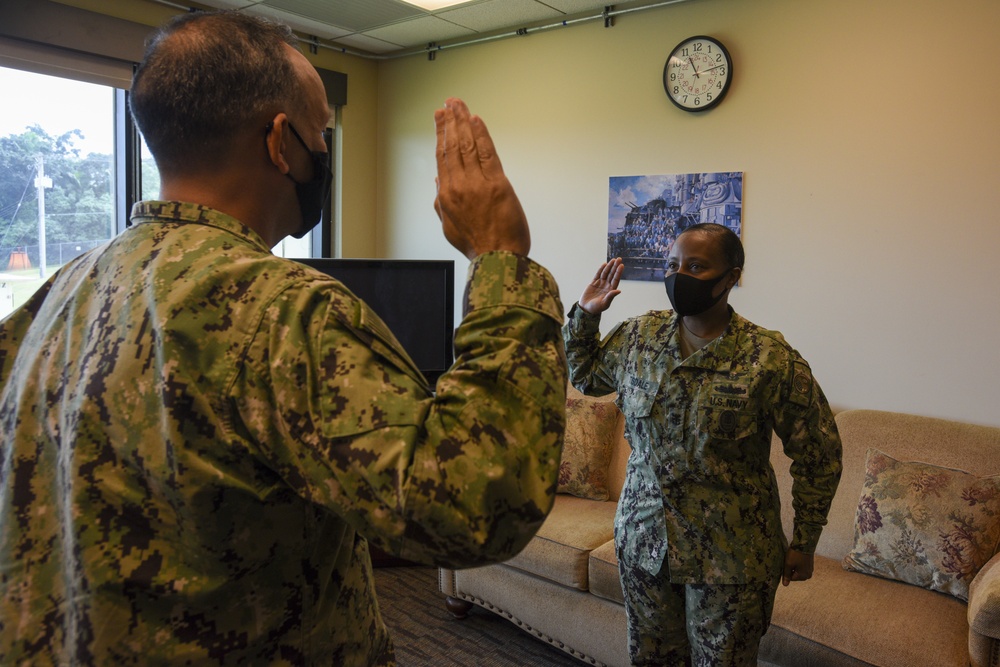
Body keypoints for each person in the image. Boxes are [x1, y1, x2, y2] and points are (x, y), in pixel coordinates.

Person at [0, 11, 567, 665]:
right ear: (281, 143)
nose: (323, 152)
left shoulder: (53, 297)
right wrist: (501, 255)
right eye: (322, 131)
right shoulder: (286, 313)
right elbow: (479, 505)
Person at [564, 223, 842, 666]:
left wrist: (805, 542)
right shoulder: (639, 337)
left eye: (696, 266)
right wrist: (585, 313)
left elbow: (819, 456)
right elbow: (587, 377)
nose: (680, 276)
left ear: (730, 278)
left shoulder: (769, 358)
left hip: (732, 559)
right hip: (645, 542)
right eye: (673, 265)